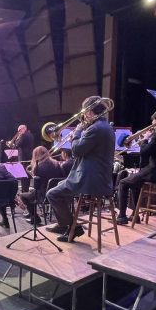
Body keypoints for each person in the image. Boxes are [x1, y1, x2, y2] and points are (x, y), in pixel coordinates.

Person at [46, 96, 115, 241]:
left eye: (84, 112)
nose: (83, 116)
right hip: (101, 177)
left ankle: (73, 227)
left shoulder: (95, 129)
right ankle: (64, 223)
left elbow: (77, 151)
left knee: (52, 194)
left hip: (91, 179)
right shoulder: (105, 126)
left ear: (89, 112)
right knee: (59, 186)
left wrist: (77, 133)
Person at [116, 109, 156, 224]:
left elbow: (144, 152)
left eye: (153, 120)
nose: (152, 123)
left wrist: (145, 139)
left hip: (155, 171)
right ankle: (135, 215)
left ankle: (122, 216)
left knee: (123, 182)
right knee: (134, 182)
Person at [19, 146, 64, 225]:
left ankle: (35, 218)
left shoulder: (38, 167)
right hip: (58, 193)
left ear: (36, 155)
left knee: (23, 196)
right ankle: (32, 214)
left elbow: (37, 186)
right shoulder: (57, 164)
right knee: (31, 194)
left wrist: (34, 175)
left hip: (44, 195)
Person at [13, 125, 34, 193]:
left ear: (23, 129)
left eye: (19, 130)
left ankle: (24, 192)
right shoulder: (31, 135)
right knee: (27, 175)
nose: (18, 132)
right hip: (29, 157)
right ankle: (26, 190)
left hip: (23, 158)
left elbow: (17, 145)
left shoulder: (23, 135)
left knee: (23, 176)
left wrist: (17, 138)